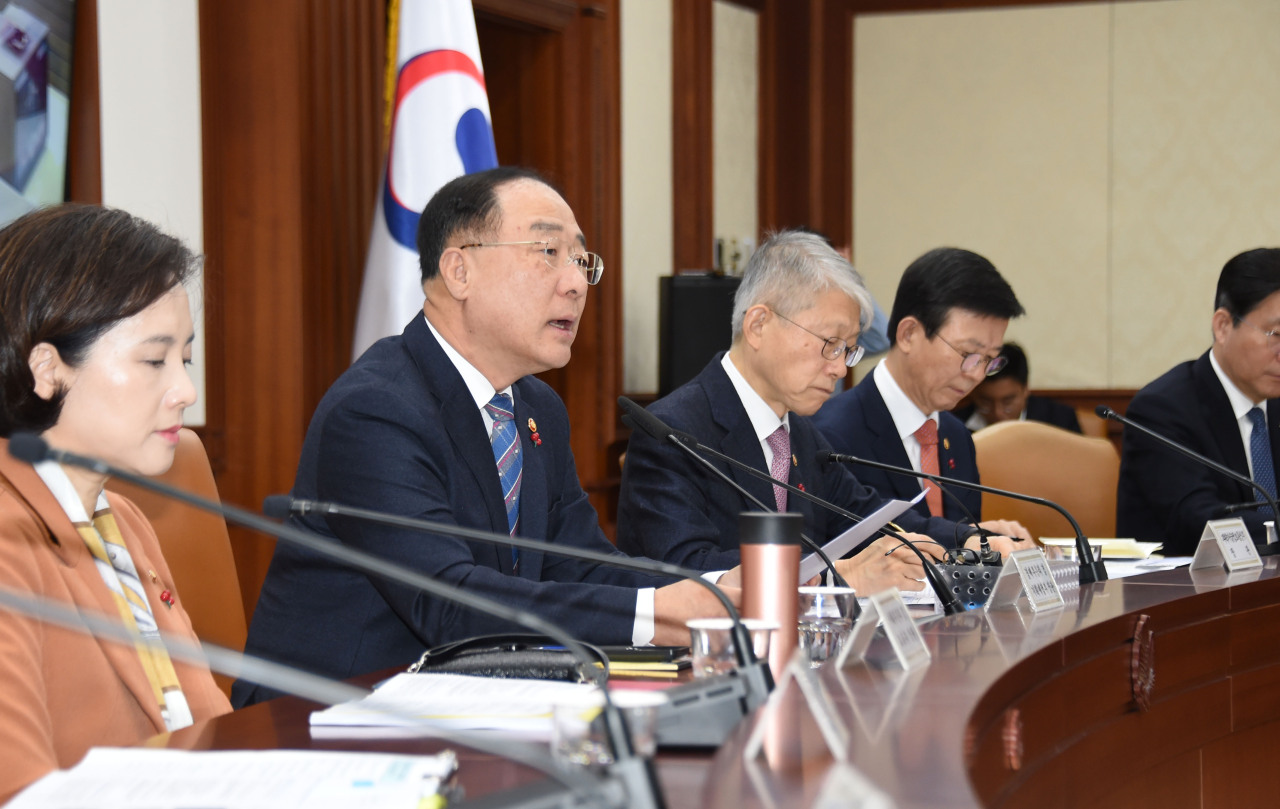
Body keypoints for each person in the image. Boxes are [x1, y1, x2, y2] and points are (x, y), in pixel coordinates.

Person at [233, 168, 731, 706]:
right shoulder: (376, 410)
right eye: (547, 252)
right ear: (459, 270)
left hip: (469, 706)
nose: (575, 282)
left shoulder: (539, 408)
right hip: (324, 720)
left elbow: (583, 564)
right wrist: (659, 616)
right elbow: (449, 604)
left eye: (581, 261)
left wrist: (721, 590)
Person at [617, 231, 1024, 596]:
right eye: (830, 343)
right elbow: (682, 572)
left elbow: (866, 517)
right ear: (759, 324)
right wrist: (838, 579)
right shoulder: (672, 431)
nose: (840, 368)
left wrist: (970, 540)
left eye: (849, 349)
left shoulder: (801, 435)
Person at [0, 204, 230, 801]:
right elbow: (22, 793)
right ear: (48, 369)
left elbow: (204, 726)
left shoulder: (120, 517)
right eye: (154, 361)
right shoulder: (7, 539)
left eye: (185, 358)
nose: (186, 390)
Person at [811, 247, 1031, 539]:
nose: (976, 374)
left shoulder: (957, 437)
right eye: (968, 353)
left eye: (990, 359)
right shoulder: (832, 434)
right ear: (908, 335)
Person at [1118, 248, 1280, 556]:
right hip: (1184, 595)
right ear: (1223, 326)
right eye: (1276, 334)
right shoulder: (1161, 410)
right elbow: (1202, 522)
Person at [954, 343, 1082, 433]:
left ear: (1025, 389)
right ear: (973, 391)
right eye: (986, 402)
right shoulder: (955, 426)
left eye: (1008, 402)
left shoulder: (1060, 420)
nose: (998, 412)